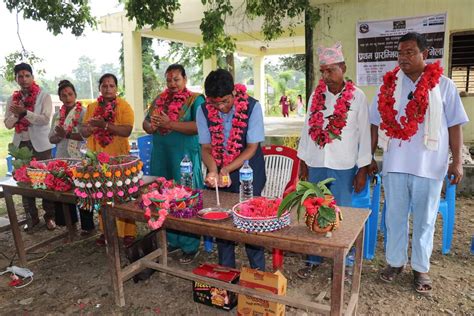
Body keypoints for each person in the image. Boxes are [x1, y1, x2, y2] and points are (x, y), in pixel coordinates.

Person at [369, 32, 468, 295]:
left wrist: (456, 162)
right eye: (400, 53)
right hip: (395, 163)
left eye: (410, 52)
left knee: (425, 220)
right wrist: (368, 158)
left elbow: (455, 126)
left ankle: (420, 267)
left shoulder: (443, 85)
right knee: (394, 217)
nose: (403, 58)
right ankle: (395, 263)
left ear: (425, 54)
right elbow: (374, 122)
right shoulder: (388, 85)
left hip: (430, 165)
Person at [296, 42, 371, 279]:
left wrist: (362, 169)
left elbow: (365, 135)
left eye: (331, 70)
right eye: (323, 71)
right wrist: (303, 162)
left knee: (341, 213)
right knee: (314, 210)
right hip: (317, 163)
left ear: (343, 68)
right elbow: (307, 130)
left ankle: (344, 261)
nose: (326, 76)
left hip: (344, 165)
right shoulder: (315, 96)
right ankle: (313, 258)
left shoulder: (357, 97)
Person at [197, 69, 267, 271]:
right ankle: (226, 272)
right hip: (219, 171)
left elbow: (252, 147)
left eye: (225, 101)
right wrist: (212, 169)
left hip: (248, 170)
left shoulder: (252, 107)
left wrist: (225, 168)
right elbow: (206, 148)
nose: (221, 107)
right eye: (215, 103)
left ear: (234, 93)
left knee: (250, 222)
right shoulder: (203, 110)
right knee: (222, 220)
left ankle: (257, 272)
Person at [143, 64, 203, 264]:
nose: (172, 84)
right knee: (162, 196)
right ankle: (170, 240)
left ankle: (189, 245)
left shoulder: (196, 99)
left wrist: (169, 124)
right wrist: (151, 126)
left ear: (185, 79)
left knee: (184, 198)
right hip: (161, 156)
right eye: (169, 80)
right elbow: (146, 122)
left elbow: (198, 127)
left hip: (183, 159)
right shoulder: (159, 100)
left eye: (176, 79)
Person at [80, 73, 136, 247]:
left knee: (122, 195)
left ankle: (128, 234)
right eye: (105, 86)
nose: (108, 89)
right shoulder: (91, 108)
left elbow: (126, 131)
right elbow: (84, 130)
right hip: (97, 158)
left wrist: (103, 125)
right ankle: (106, 231)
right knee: (102, 194)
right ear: (100, 88)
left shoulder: (124, 106)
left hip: (119, 159)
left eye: (112, 86)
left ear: (116, 88)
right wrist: (88, 129)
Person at [4, 63, 57, 231]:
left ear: (32, 77)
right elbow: (7, 124)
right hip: (21, 146)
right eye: (20, 76)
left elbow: (44, 119)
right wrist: (16, 114)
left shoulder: (44, 96)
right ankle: (31, 217)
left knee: (44, 181)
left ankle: (50, 217)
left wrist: (25, 112)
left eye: (27, 75)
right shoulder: (12, 99)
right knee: (24, 182)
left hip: (41, 146)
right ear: (16, 79)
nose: (24, 79)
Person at [49, 80, 95, 235]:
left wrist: (67, 134)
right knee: (64, 191)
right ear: (60, 98)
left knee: (82, 191)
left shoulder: (83, 112)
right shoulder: (57, 115)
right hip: (61, 157)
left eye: (70, 94)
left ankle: (87, 227)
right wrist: (58, 135)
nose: (67, 97)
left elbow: (86, 136)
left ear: (75, 95)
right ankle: (70, 225)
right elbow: (51, 138)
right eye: (64, 95)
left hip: (80, 156)